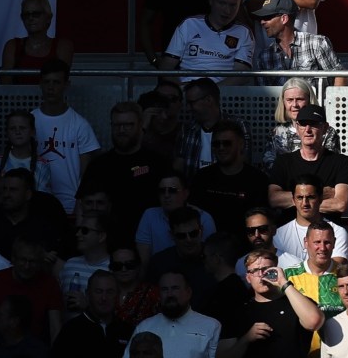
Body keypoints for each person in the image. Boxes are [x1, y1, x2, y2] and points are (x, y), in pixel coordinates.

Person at [78, 102, 171, 241]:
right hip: (106, 241)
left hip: (148, 240)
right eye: (117, 125)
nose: (122, 130)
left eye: (128, 125)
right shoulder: (98, 165)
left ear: (140, 126)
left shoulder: (158, 163)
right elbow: (81, 207)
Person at [218, 249, 324, 358]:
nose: (261, 275)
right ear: (248, 278)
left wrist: (283, 282)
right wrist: (246, 339)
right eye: (254, 271)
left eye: (266, 270)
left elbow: (314, 321)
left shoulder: (296, 304)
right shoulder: (239, 312)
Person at [31, 59, 101, 214]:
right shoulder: (29, 122)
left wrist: (80, 202)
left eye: (56, 82)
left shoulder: (80, 124)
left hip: (70, 206)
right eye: (47, 82)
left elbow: (86, 172)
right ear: (40, 84)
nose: (50, 87)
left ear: (66, 85)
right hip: (35, 205)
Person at [157, 0, 254, 85]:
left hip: (222, 96)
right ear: (211, 0)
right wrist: (183, 91)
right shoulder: (189, 25)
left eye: (233, 5)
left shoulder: (244, 33)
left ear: (239, 5)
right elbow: (165, 68)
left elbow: (241, 76)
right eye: (222, 3)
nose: (227, 11)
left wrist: (210, 93)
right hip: (186, 93)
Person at [267, 105, 348, 219]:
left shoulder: (341, 162)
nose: (307, 130)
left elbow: (340, 204)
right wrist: (319, 194)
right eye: (303, 124)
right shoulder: (283, 162)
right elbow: (273, 199)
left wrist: (294, 199)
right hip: (290, 231)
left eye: (313, 124)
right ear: (297, 128)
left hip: (328, 231)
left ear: (325, 128)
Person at [191, 121, 270, 241]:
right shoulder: (201, 178)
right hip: (207, 248)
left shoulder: (258, 180)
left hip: (244, 251)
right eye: (216, 144)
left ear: (241, 144)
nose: (221, 148)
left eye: (227, 143)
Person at [0, 237, 63, 343]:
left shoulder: (50, 284)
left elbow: (56, 328)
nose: (27, 266)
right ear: (13, 258)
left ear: (40, 262)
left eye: (32, 261)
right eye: (23, 260)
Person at [253, 0, 348, 87]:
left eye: (267, 17)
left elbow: (340, 75)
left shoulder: (317, 43)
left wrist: (330, 101)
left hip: (315, 102)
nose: (262, 22)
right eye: (262, 18)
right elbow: (264, 97)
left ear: (284, 18)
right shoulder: (264, 56)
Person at [124, 269, 221, 358]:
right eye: (164, 289)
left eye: (175, 288)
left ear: (189, 292)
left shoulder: (211, 326)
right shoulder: (144, 327)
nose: (170, 294)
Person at [283, 222, 345, 354]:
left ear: (334, 243)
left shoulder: (346, 276)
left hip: (340, 352)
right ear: (306, 242)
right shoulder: (288, 276)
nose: (322, 248)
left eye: (327, 242)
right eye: (317, 242)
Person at [0, 168, 71, 260]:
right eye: (4, 189)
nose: (6, 195)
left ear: (28, 194)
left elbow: (63, 246)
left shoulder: (46, 214)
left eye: (13, 190)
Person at [177, 78, 250, 178]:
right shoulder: (187, 129)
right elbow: (178, 168)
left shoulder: (238, 125)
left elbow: (244, 164)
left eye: (192, 103)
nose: (188, 108)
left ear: (208, 100)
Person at [264, 78, 342, 171]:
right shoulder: (276, 133)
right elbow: (269, 165)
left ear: (309, 100)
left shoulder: (327, 132)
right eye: (289, 100)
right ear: (283, 103)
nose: (294, 105)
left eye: (300, 99)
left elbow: (331, 165)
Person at [136, 172, 216, 262]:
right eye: (162, 191)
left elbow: (211, 257)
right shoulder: (149, 215)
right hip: (159, 271)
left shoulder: (204, 218)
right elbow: (144, 261)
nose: (166, 195)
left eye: (172, 190)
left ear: (186, 193)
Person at [53, 269, 133, 358]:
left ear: (117, 295)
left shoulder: (127, 331)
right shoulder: (71, 330)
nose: (104, 298)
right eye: (98, 291)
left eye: (110, 292)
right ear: (88, 294)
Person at [275, 176, 348, 268]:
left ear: (321, 199)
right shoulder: (279, 235)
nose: (305, 203)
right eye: (299, 197)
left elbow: (334, 270)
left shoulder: (337, 232)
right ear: (293, 200)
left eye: (310, 197)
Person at [0, 0, 75, 85]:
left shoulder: (63, 46)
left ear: (48, 18)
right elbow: (5, 86)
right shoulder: (12, 46)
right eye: (26, 15)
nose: (30, 18)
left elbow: (60, 85)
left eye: (36, 14)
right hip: (18, 98)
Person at [0, 110, 52, 203]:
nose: (17, 132)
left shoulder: (42, 165)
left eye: (22, 128)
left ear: (32, 132)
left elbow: (43, 201)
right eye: (12, 128)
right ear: (7, 133)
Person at [61, 213, 112, 320]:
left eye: (84, 230)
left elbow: (116, 313)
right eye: (78, 229)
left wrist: (87, 307)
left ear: (101, 236)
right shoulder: (70, 265)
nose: (78, 234)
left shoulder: (114, 268)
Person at [197, 232, 251, 325]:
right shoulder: (241, 286)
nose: (203, 261)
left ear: (216, 258)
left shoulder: (223, 294)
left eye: (204, 256)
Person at [111, 246, 161, 327]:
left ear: (138, 266)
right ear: (111, 268)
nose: (124, 269)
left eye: (129, 265)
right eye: (117, 266)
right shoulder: (105, 292)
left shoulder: (153, 293)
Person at [235, 209, 281, 280]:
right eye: (251, 231)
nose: (257, 235)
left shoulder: (291, 263)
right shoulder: (240, 265)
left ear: (274, 230)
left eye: (263, 229)